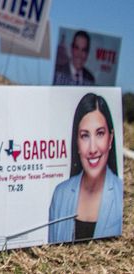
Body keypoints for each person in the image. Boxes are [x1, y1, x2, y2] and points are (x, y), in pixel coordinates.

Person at [48, 93, 122, 243]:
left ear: (110, 139)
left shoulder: (121, 194)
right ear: (77, 141)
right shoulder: (60, 194)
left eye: (100, 133)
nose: (93, 148)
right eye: (84, 136)